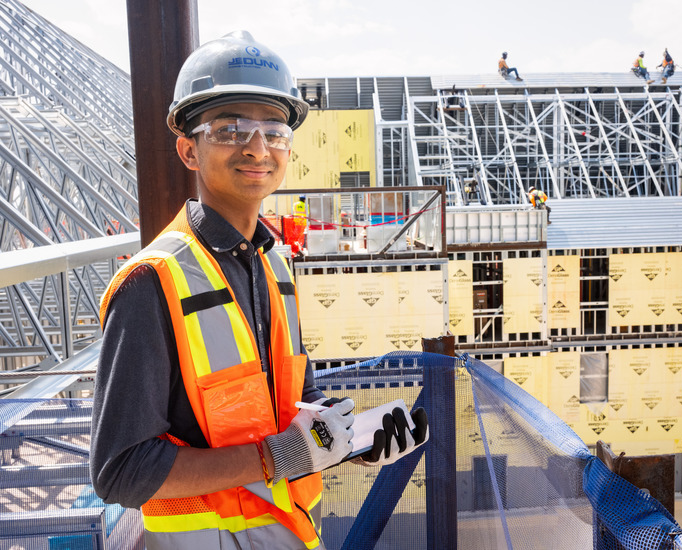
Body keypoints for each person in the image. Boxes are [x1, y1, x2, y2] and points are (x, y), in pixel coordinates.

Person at [90, 30, 429, 549]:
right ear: (189, 150)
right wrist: (278, 458)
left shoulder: (273, 264)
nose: (257, 147)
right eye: (229, 130)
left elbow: (294, 403)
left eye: (274, 130)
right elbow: (120, 470)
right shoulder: (151, 282)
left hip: (287, 534)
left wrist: (353, 439)